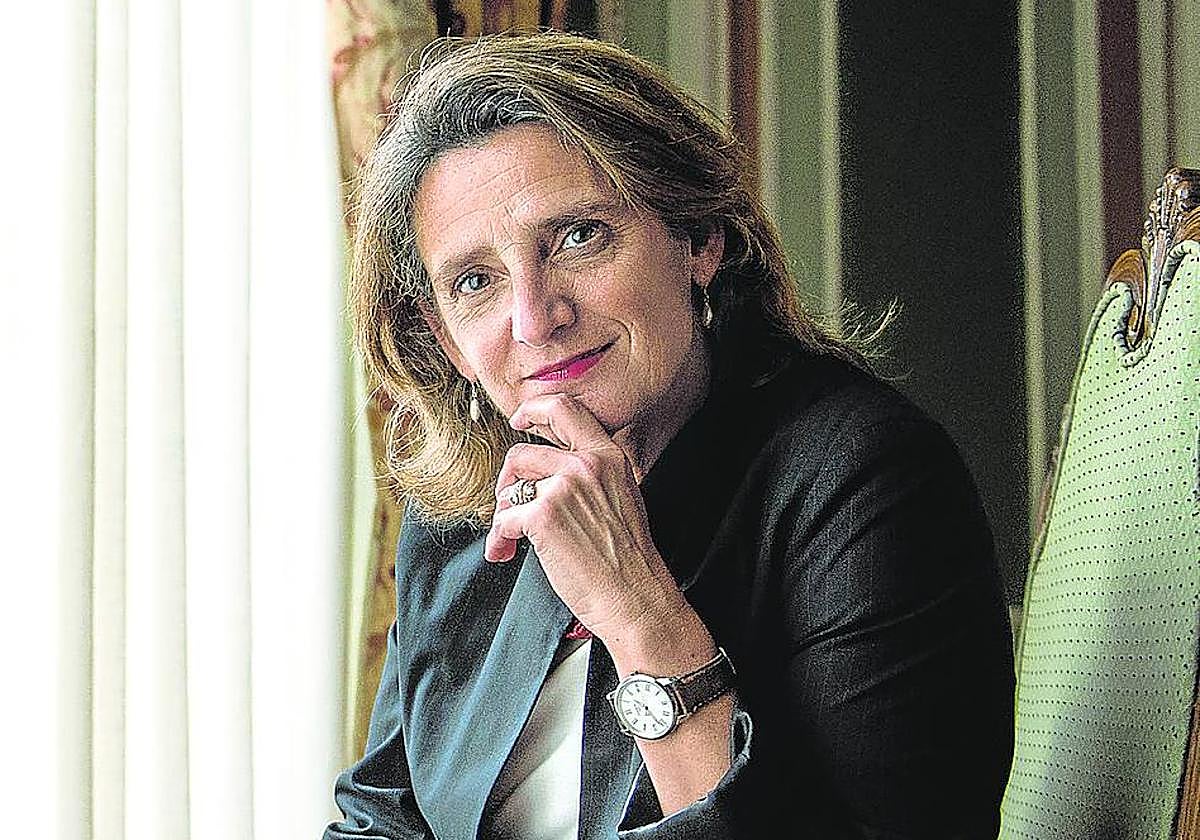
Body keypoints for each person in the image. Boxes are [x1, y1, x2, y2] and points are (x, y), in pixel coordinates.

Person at [324, 31, 1014, 840]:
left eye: (579, 237)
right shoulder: (461, 500)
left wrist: (635, 609)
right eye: (476, 281)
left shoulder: (868, 484)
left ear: (698, 237)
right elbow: (381, 820)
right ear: (446, 338)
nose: (535, 318)